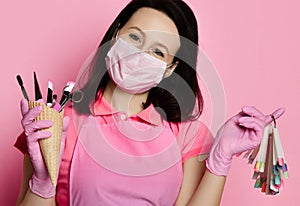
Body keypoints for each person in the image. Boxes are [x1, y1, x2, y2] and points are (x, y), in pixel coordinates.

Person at [14, 0, 285, 205]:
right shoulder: (58, 121)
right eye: (134, 37)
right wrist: (42, 184)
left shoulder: (188, 135)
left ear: (170, 68)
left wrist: (220, 160)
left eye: (157, 51)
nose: (139, 55)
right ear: (116, 35)